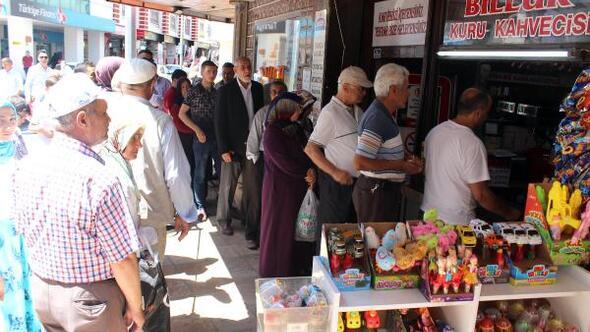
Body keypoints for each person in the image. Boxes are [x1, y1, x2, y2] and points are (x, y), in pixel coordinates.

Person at [12, 73, 145, 331]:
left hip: (43, 292)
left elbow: (23, 229)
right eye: (103, 113)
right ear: (82, 119)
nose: (109, 120)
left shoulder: (27, 165)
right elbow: (122, 259)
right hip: (90, 304)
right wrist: (136, 307)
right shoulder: (99, 179)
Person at [110, 58, 196, 257]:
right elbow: (176, 174)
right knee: (148, 281)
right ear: (151, 85)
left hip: (113, 214)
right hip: (149, 214)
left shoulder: (107, 114)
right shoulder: (160, 121)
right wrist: (185, 213)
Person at [422, 88, 520, 224]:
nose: (486, 118)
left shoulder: (434, 132)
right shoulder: (473, 143)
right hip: (456, 224)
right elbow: (481, 195)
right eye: (486, 113)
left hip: (429, 216)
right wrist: (509, 213)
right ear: (478, 113)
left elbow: (425, 169)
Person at [353, 63, 423, 222]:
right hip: (377, 193)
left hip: (381, 193)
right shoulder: (377, 117)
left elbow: (381, 148)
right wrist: (400, 165)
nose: (408, 94)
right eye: (406, 88)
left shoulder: (383, 114)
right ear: (393, 90)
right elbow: (360, 162)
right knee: (375, 244)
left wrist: (406, 158)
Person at [305, 66, 372, 233]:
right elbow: (311, 148)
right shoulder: (330, 113)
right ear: (345, 87)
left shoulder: (358, 111)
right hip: (335, 185)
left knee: (348, 232)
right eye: (360, 88)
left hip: (354, 184)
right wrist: (335, 171)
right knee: (331, 232)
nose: (364, 93)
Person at [259, 91, 317, 278]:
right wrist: (305, 172)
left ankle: (294, 271)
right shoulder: (272, 132)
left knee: (294, 233)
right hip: (279, 192)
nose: (299, 113)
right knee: (279, 233)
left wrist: (311, 170)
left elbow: (307, 152)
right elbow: (283, 161)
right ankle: (275, 274)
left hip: (297, 190)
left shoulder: (295, 129)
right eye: (296, 109)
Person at [0, 101, 42, 332]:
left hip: (21, 239)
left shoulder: (22, 151)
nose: (7, 126)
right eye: (0, 120)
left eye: (12, 120)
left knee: (26, 295)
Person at [215, 56, 264, 236]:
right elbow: (219, 122)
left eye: (249, 66)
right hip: (232, 147)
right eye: (242, 67)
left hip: (253, 145)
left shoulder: (258, 89)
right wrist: (223, 149)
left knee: (252, 187)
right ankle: (223, 220)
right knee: (228, 185)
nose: (246, 70)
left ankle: (248, 220)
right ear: (235, 70)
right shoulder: (225, 91)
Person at [244, 80, 287, 250]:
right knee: (257, 198)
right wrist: (255, 163)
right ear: (270, 95)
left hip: (283, 161)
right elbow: (253, 140)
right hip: (262, 159)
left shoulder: (291, 113)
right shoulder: (263, 113)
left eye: (281, 91)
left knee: (275, 200)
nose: (277, 95)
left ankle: (270, 235)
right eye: (274, 92)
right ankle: (251, 234)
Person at [179, 61, 220, 221]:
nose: (212, 74)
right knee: (200, 173)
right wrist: (196, 129)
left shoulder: (217, 93)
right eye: (209, 71)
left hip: (217, 137)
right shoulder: (193, 92)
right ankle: (199, 205)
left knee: (221, 172)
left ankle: (221, 205)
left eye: (215, 71)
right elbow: (182, 114)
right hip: (201, 137)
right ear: (202, 72)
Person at [163, 73, 194, 179]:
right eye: (183, 87)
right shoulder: (176, 104)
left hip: (194, 138)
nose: (186, 89)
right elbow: (179, 125)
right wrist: (195, 130)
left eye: (188, 86)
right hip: (183, 138)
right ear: (179, 89)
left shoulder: (194, 101)